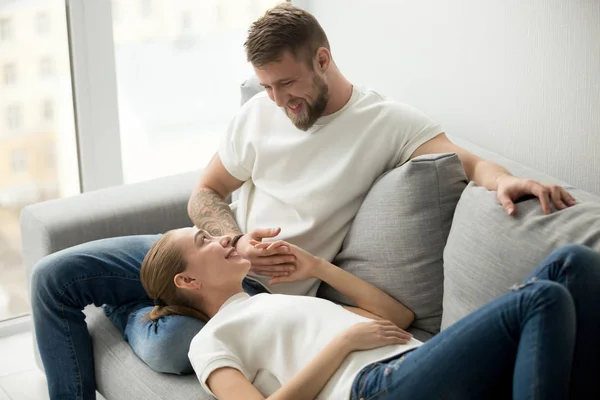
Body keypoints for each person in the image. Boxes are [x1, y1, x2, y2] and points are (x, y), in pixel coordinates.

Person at [30, 3, 576, 399]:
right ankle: (146, 298)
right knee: (53, 278)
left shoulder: (386, 123)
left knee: (172, 344)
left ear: (322, 59)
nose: (276, 101)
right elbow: (206, 192)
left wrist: (504, 181)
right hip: (211, 252)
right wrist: (234, 239)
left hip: (258, 290)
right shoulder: (260, 113)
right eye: (265, 87)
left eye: (285, 84)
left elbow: (469, 163)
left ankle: (147, 306)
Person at [141, 227, 600, 400]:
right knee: (542, 299)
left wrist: (319, 267)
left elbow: (397, 316)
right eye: (205, 241)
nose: (224, 239)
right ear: (188, 282)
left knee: (573, 263)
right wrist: (343, 343)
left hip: (421, 362)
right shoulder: (209, 340)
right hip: (372, 388)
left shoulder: (272, 302)